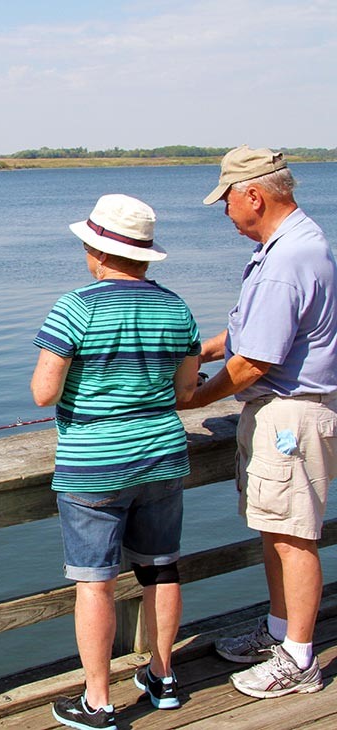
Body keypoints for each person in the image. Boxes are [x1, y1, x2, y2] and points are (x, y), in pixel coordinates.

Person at [32, 194, 201, 730]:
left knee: (95, 582)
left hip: (95, 465)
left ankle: (99, 701)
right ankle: (163, 676)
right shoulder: (176, 307)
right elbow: (185, 391)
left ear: (96, 250)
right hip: (163, 456)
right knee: (161, 567)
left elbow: (43, 392)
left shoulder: (76, 306)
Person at [179, 145, 337, 698]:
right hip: (290, 413)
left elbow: (257, 361)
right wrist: (205, 349)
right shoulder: (296, 245)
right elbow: (252, 336)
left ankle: (299, 660)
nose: (225, 212)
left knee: (294, 536)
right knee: (277, 528)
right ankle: (279, 633)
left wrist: (196, 399)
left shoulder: (287, 259)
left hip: (291, 415)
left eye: (226, 200)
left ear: (253, 194)